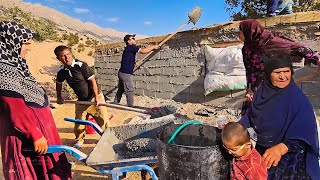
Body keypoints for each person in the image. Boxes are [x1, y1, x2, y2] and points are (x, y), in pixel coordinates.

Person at [0, 21, 71, 179]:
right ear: (11, 42)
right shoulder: (3, 69)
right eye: (26, 43)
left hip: (38, 133)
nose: (29, 47)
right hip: (25, 137)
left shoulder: (17, 66)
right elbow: (14, 106)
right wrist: (34, 133)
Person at [239, 55, 320, 179]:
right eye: (277, 72)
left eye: (286, 71)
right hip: (259, 145)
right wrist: (235, 128)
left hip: (289, 151)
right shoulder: (261, 94)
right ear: (268, 74)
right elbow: (249, 118)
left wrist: (281, 148)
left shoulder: (297, 99)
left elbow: (305, 132)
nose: (283, 77)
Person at [239, 19, 320, 114]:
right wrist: (249, 89)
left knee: (273, 115)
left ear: (249, 31)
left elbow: (299, 48)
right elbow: (249, 71)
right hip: (256, 88)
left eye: (240, 31)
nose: (238, 34)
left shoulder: (271, 41)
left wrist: (317, 60)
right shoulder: (247, 48)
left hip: (274, 86)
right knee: (250, 116)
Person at [54, 45, 110, 148]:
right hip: (81, 100)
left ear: (71, 54)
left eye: (68, 54)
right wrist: (59, 97)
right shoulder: (61, 71)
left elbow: (93, 81)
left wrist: (97, 97)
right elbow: (58, 84)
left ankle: (108, 138)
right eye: (63, 56)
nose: (67, 58)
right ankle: (79, 140)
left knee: (103, 121)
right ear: (59, 58)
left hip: (94, 97)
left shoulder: (81, 65)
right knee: (79, 121)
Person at [114, 34, 160, 107]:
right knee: (130, 90)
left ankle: (115, 103)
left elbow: (127, 60)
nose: (134, 39)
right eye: (133, 38)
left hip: (122, 72)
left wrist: (133, 63)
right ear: (129, 41)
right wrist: (154, 47)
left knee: (121, 88)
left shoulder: (128, 49)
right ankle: (130, 106)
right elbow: (143, 51)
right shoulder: (131, 47)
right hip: (125, 74)